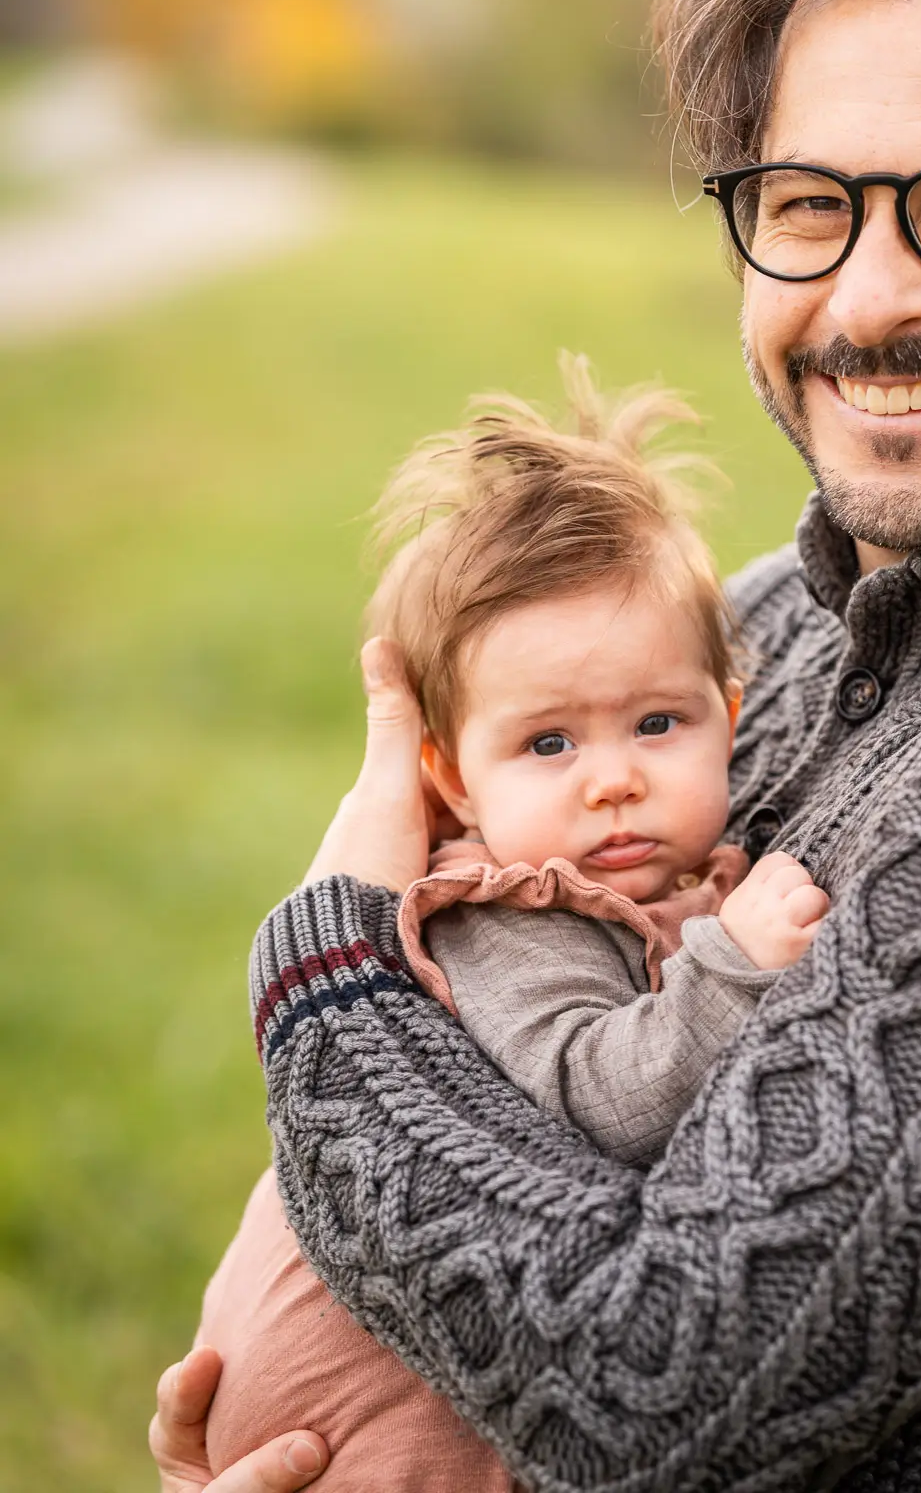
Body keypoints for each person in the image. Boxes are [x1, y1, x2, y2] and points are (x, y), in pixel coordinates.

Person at [153, 0, 921, 1493]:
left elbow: (646, 1390)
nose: (870, 299)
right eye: (810, 207)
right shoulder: (765, 628)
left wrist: (327, 988)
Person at [193, 365, 829, 1492]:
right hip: (355, 1401)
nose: (612, 782)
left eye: (655, 722)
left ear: (730, 717)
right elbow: (592, 1098)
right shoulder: (505, 915)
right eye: (548, 744)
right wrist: (731, 970)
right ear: (451, 780)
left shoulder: (652, 878)